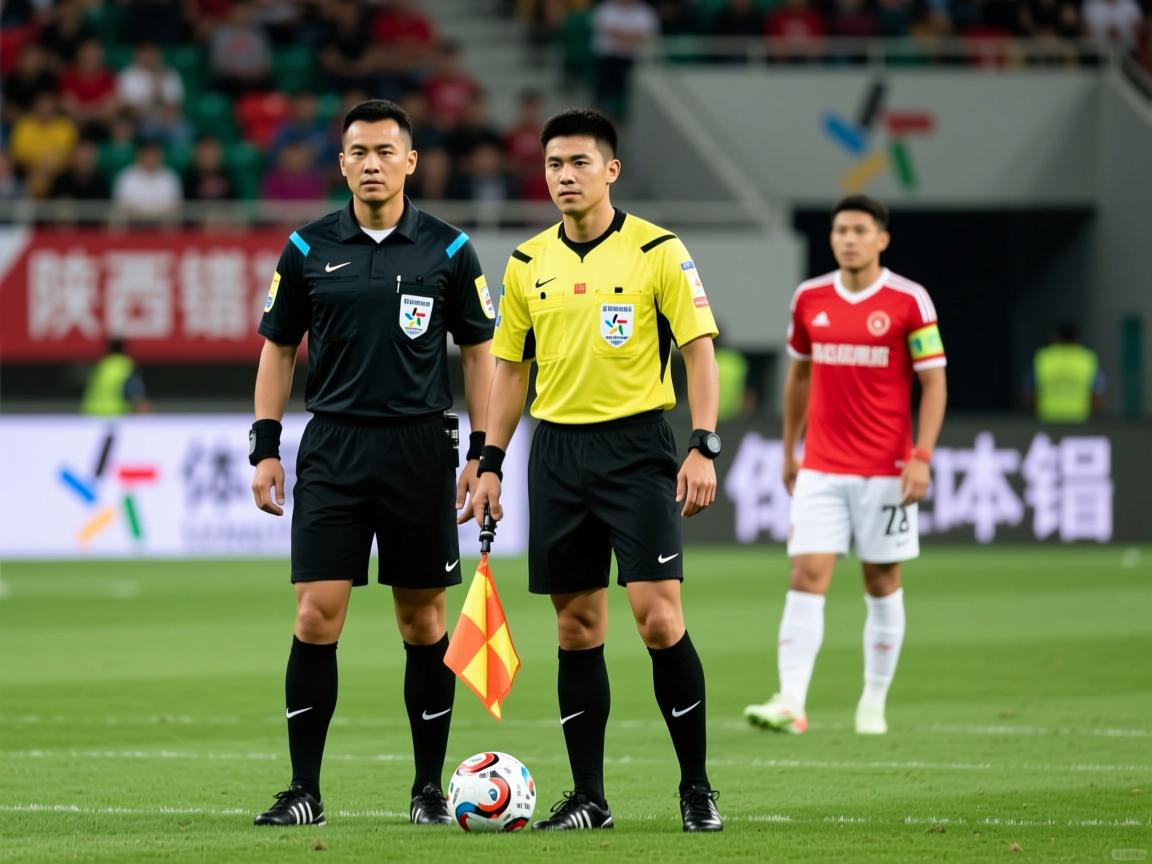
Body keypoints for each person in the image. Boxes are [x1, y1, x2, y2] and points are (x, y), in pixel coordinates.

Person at [471, 108, 725, 833]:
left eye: (580, 162)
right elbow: (510, 371)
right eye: (554, 164)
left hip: (636, 449)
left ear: (611, 170)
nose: (565, 176)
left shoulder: (659, 251)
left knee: (658, 618)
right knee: (576, 626)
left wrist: (703, 444)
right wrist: (490, 462)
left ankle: (697, 789)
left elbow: (699, 350)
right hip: (556, 454)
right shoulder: (527, 262)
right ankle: (590, 798)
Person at [249, 99, 496, 827]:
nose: (372, 163)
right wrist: (265, 447)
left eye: (386, 151)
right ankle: (304, 790)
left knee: (423, 622)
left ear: (411, 162)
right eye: (358, 151)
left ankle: (427, 790)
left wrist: (483, 453)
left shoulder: (450, 250)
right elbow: (277, 349)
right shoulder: (306, 247)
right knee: (315, 614)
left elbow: (479, 354)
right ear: (342, 164)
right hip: (333, 447)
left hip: (420, 448)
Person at [744, 194, 947, 737]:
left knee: (881, 580)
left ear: (882, 239)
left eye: (859, 230)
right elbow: (799, 377)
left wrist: (921, 456)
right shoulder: (809, 298)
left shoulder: (910, 301)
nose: (849, 240)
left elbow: (933, 382)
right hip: (822, 466)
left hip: (887, 470)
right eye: (840, 231)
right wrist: (789, 448)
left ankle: (872, 703)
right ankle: (791, 700)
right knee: (806, 574)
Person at [1026, 323, 1104, 423]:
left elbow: (1029, 393)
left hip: (1047, 419)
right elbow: (1097, 395)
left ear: (1055, 337)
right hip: (1080, 420)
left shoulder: (1043, 358)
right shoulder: (1087, 359)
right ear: (1077, 339)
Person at [81, 337, 149, 416]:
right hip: (114, 415)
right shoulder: (126, 365)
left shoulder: (101, 365)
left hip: (91, 414)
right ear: (125, 350)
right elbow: (136, 396)